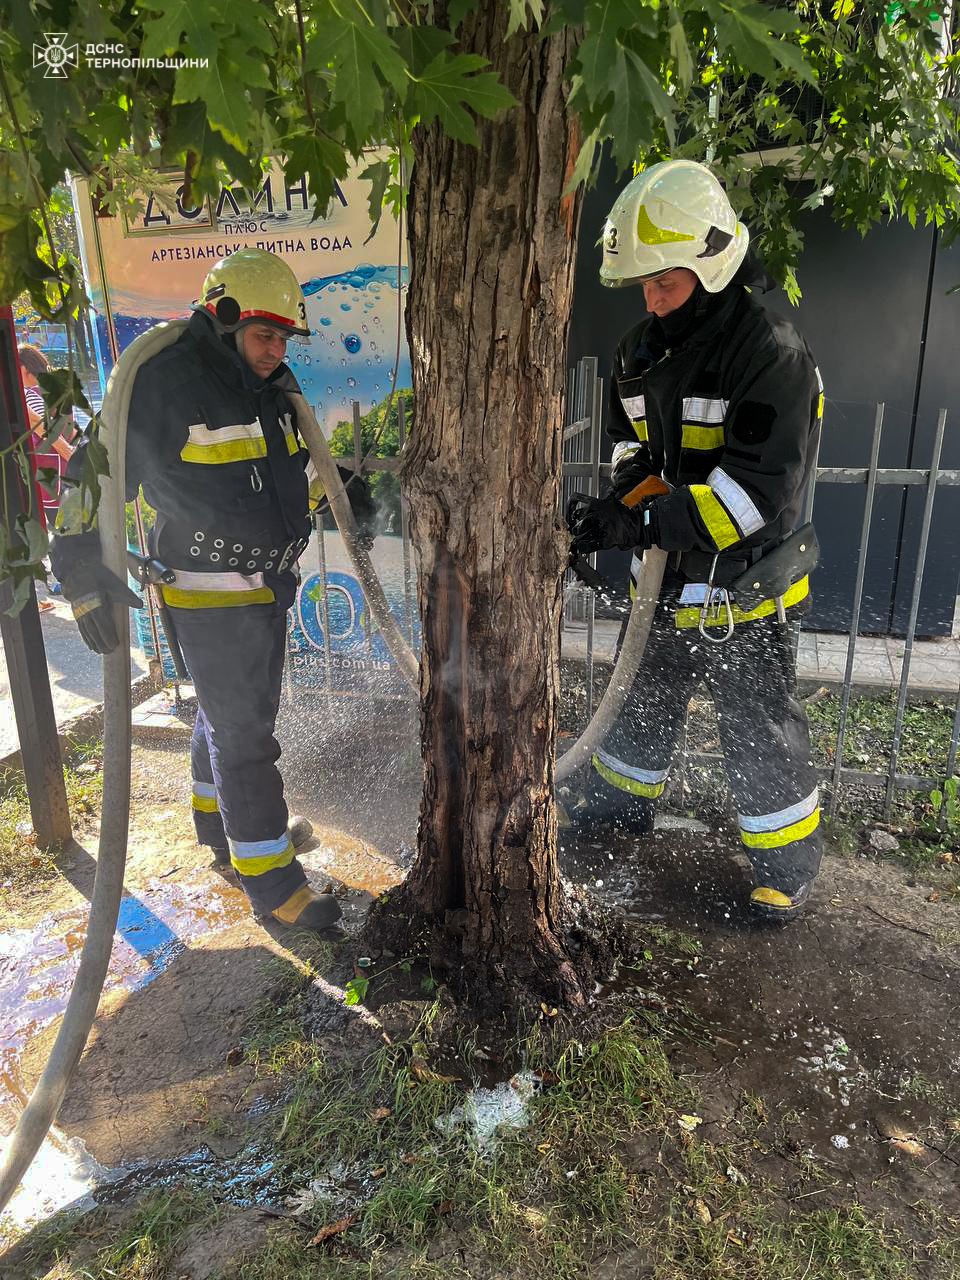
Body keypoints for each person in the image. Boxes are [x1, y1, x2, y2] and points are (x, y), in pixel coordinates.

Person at [51, 248, 377, 934]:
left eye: (284, 339)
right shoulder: (165, 385)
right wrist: (80, 574)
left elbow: (279, 479)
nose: (275, 351)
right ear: (222, 319)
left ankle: (219, 825)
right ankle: (272, 883)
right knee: (245, 733)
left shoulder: (269, 387)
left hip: (266, 588)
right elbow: (92, 474)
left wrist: (339, 490)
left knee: (227, 718)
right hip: (207, 591)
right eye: (265, 336)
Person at [568, 160, 824, 922]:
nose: (651, 299)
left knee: (759, 728)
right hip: (670, 578)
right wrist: (618, 504)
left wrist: (642, 523)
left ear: (710, 266)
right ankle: (619, 807)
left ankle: (786, 864)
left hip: (745, 584)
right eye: (643, 284)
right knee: (641, 701)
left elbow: (752, 499)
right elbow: (630, 450)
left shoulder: (769, 354)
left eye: (665, 282)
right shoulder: (638, 355)